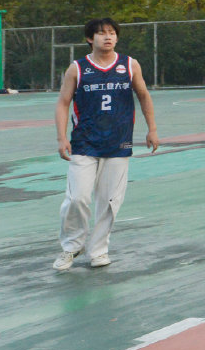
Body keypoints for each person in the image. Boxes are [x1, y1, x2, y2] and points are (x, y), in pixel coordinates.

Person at [52, 18, 160, 270]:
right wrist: (61, 136)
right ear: (91, 39)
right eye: (101, 34)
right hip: (84, 143)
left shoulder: (129, 65)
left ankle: (98, 250)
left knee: (109, 201)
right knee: (77, 198)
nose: (107, 37)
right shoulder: (77, 68)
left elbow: (144, 95)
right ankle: (71, 246)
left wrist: (152, 129)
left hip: (118, 142)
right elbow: (63, 102)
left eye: (112, 33)